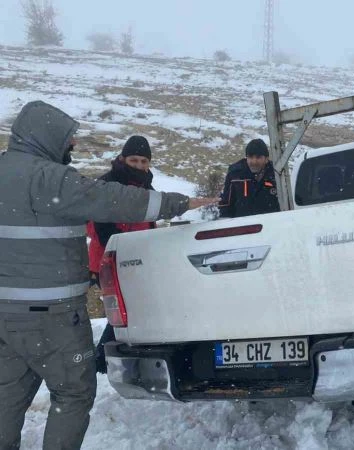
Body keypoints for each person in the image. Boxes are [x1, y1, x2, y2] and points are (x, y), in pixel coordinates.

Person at [0, 101, 216, 450]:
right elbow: (114, 201)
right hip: (50, 313)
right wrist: (177, 203)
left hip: (4, 315)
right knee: (73, 392)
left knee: (7, 392)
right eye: (67, 139)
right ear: (47, 136)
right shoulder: (50, 178)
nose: (71, 146)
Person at [86, 135, 156, 374]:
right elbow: (100, 227)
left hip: (136, 259)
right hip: (109, 259)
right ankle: (101, 361)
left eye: (143, 161)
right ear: (123, 158)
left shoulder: (149, 188)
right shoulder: (105, 185)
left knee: (130, 307)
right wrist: (120, 250)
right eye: (134, 159)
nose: (138, 165)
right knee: (122, 309)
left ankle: (109, 357)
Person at [218, 138, 280, 218]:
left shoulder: (277, 173)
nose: (254, 161)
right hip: (243, 225)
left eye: (258, 157)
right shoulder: (235, 174)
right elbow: (226, 203)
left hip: (270, 223)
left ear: (266, 159)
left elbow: (285, 202)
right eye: (250, 157)